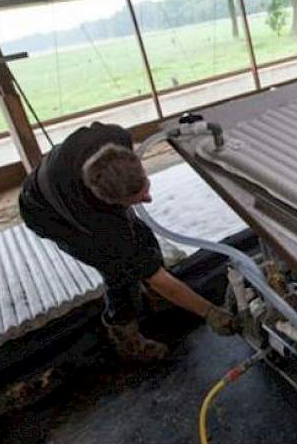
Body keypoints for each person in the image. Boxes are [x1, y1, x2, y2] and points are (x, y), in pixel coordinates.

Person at [18, 122, 235, 361]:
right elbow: (156, 277)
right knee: (120, 273)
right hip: (47, 213)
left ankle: (161, 301)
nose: (148, 198)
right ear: (110, 202)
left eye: (146, 187)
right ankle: (125, 336)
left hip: (65, 178)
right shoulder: (104, 228)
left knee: (142, 236)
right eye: (137, 198)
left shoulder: (115, 136)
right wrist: (209, 312)